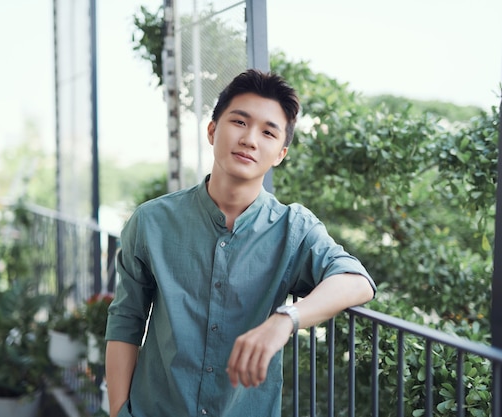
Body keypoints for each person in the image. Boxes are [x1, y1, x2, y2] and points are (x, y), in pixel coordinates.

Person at [105, 69, 376, 417]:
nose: (250, 139)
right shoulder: (151, 221)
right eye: (239, 122)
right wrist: (117, 412)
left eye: (268, 132)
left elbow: (356, 281)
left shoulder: (294, 228)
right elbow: (126, 319)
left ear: (280, 153)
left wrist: (284, 320)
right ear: (213, 130)